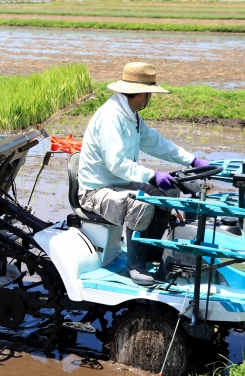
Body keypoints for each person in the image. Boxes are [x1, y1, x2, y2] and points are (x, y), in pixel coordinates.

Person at [78, 62, 209, 286]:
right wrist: (151, 174)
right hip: (96, 190)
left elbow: (156, 143)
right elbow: (116, 164)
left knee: (166, 191)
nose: (150, 98)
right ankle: (135, 264)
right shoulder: (111, 117)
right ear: (141, 93)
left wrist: (192, 160)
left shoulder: (131, 115)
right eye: (149, 93)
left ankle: (148, 251)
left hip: (119, 184)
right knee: (140, 204)